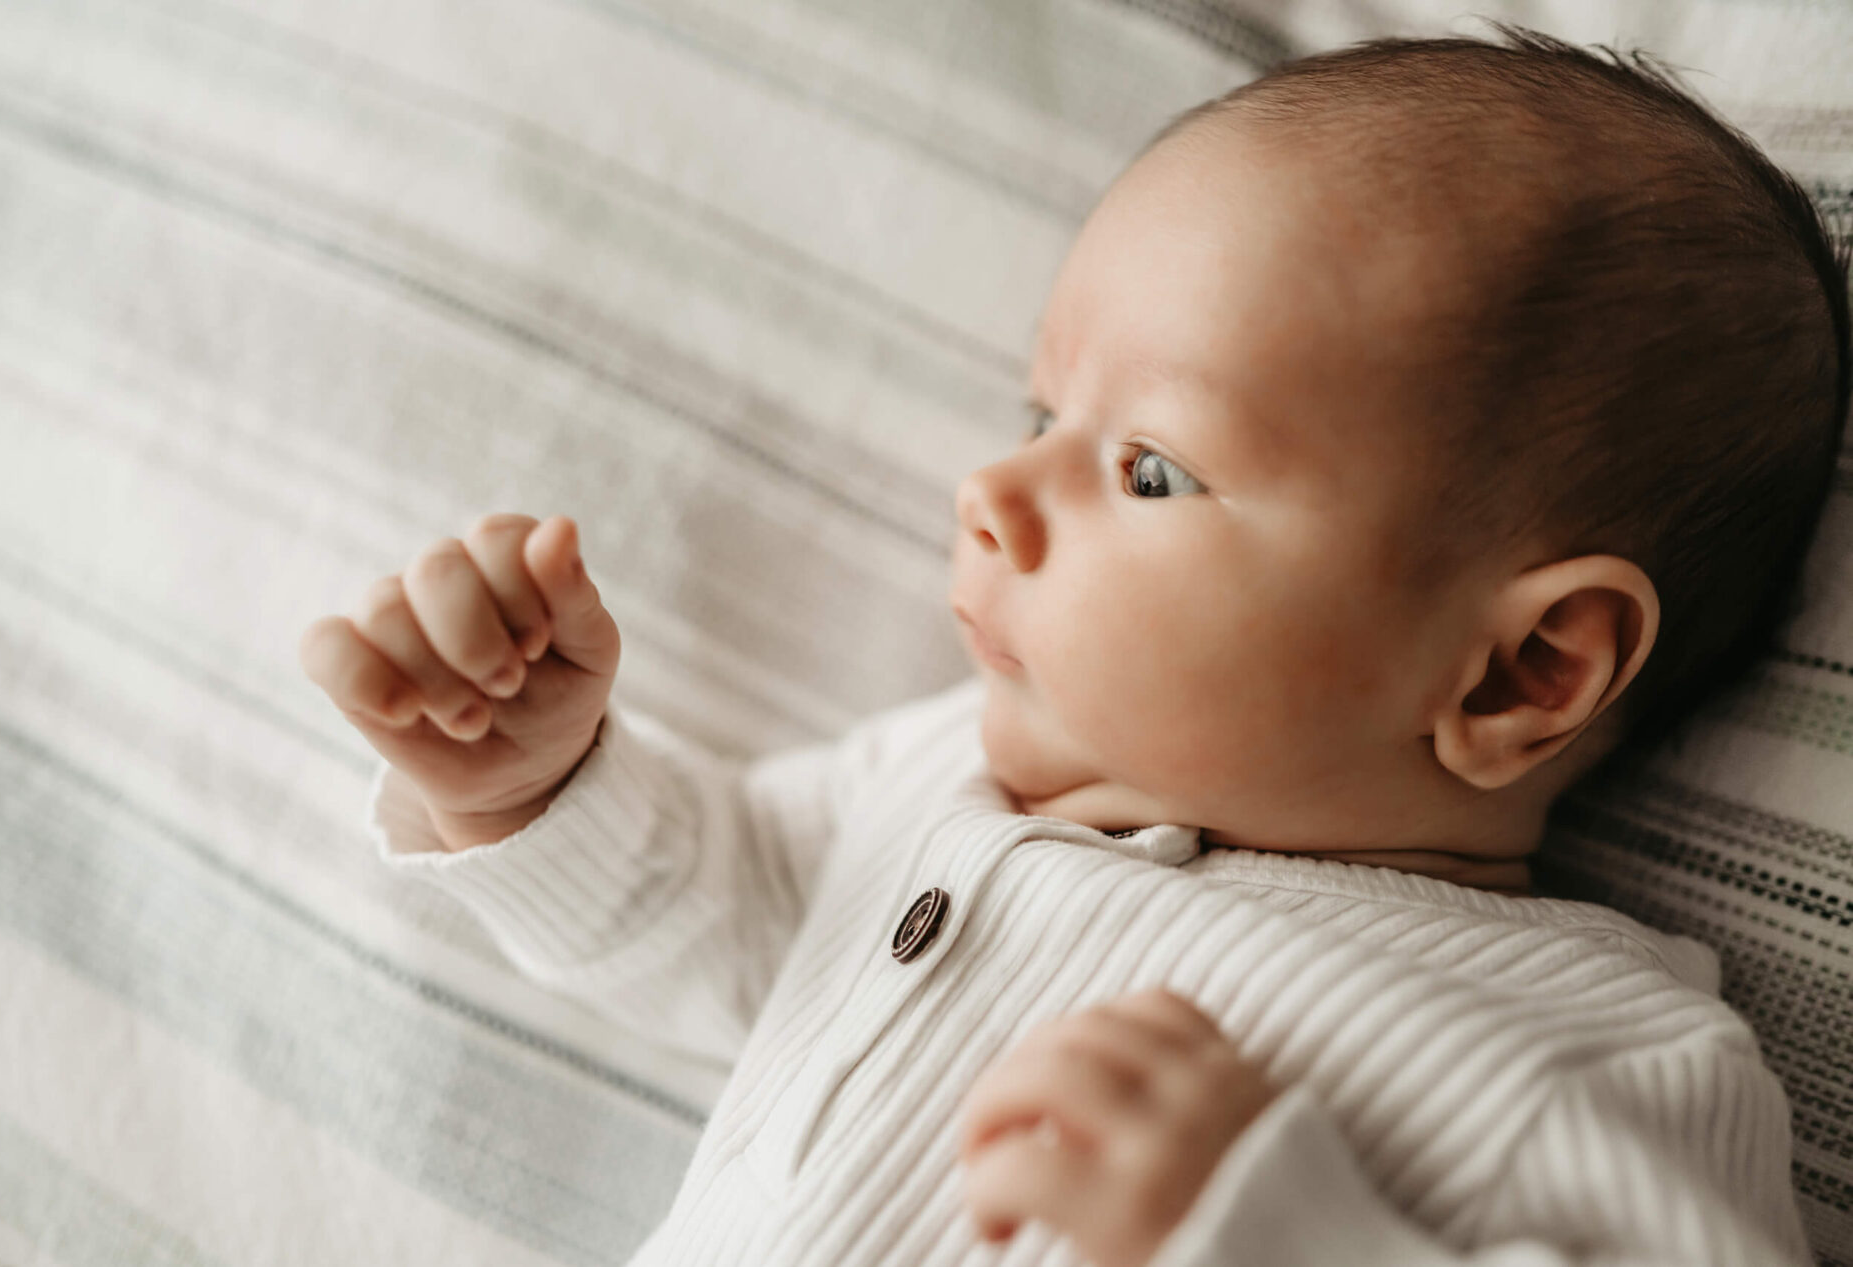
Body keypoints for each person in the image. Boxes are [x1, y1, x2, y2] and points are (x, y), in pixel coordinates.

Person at [298, 22, 1849, 1267]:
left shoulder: (1589, 1061)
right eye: (1043, 418)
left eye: (1149, 470)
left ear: (1523, 674)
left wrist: (1276, 1233)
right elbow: (716, 918)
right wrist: (533, 784)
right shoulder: (940, 782)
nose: (992, 490)